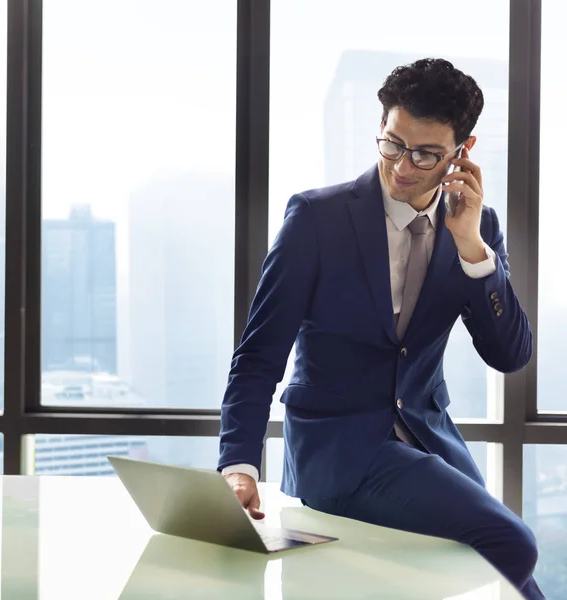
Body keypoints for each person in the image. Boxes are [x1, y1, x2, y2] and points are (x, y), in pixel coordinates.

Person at [217, 58, 545, 599]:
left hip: (428, 443)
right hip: (337, 451)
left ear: (463, 151)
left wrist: (471, 247)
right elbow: (258, 357)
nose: (403, 165)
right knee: (511, 542)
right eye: (392, 144)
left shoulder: (476, 225)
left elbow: (509, 355)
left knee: (521, 586)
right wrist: (239, 464)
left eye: (425, 153)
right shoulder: (316, 219)